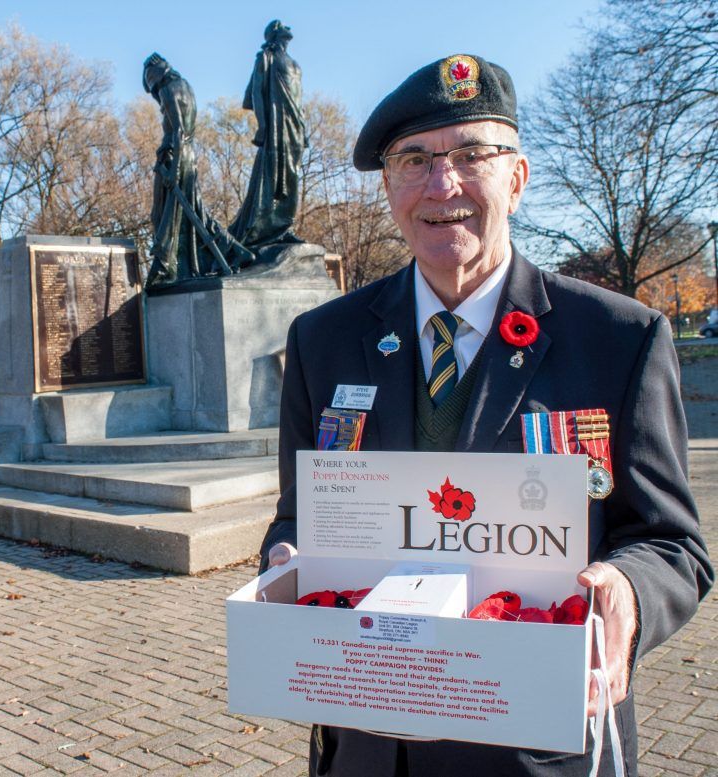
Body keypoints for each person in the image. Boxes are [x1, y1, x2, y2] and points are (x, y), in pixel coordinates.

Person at [258, 53, 712, 776]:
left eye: (471, 154)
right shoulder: (323, 342)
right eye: (414, 159)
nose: (443, 185)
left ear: (518, 178)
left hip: (538, 749)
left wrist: (628, 589)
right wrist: (282, 564)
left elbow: (672, 546)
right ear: (389, 187)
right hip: (371, 749)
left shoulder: (621, 340)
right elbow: (294, 520)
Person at [142, 53, 252, 286]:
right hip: (186, 156)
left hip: (176, 156)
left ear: (154, 78)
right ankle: (233, 250)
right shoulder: (184, 86)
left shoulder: (167, 88)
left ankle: (166, 266)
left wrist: (172, 172)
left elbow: (179, 130)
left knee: (163, 215)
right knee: (195, 213)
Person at [229, 20, 308, 249]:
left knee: (292, 177)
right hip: (276, 125)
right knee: (273, 176)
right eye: (282, 26)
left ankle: (284, 227)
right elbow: (255, 92)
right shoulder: (266, 57)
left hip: (295, 126)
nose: (288, 29)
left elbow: (299, 99)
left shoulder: (294, 63)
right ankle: (263, 230)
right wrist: (263, 125)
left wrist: (304, 130)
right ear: (273, 34)